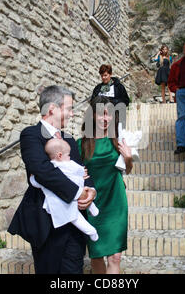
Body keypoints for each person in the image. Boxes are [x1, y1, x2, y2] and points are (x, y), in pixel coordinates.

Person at [7, 85, 97, 274]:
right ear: (52, 109)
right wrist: (77, 192)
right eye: (69, 109)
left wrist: (90, 191)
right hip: (47, 226)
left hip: (75, 223)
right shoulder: (31, 135)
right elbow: (42, 170)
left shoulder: (70, 140)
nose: (72, 115)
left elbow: (82, 172)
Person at [77, 96, 133, 274]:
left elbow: (127, 170)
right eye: (101, 114)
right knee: (97, 254)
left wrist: (128, 158)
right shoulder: (82, 144)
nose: (105, 118)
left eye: (109, 115)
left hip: (116, 200)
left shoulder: (118, 140)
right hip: (93, 203)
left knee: (115, 256)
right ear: (93, 115)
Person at [30, 138, 100, 242]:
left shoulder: (50, 167)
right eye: (68, 155)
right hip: (71, 196)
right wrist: (82, 174)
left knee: (76, 218)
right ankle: (93, 218)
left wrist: (32, 178)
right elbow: (82, 170)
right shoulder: (68, 164)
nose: (70, 157)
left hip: (64, 200)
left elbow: (37, 183)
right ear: (59, 155)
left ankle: (91, 229)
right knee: (78, 211)